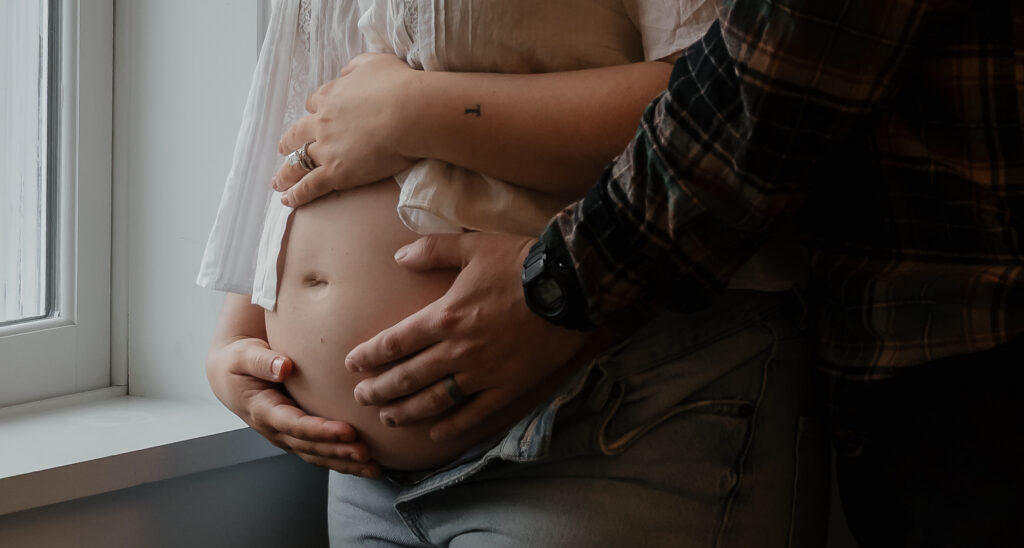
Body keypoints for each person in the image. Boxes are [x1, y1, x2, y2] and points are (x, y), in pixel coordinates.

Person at [301, 1, 1023, 546]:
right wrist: (247, 317)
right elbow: (310, 96)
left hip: (618, 415)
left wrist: (559, 287)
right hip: (363, 469)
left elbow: (752, 90)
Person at [202, 0, 828, 546]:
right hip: (362, 476)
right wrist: (238, 332)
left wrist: (414, 114)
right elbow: (310, 110)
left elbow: (739, 100)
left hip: (604, 423)